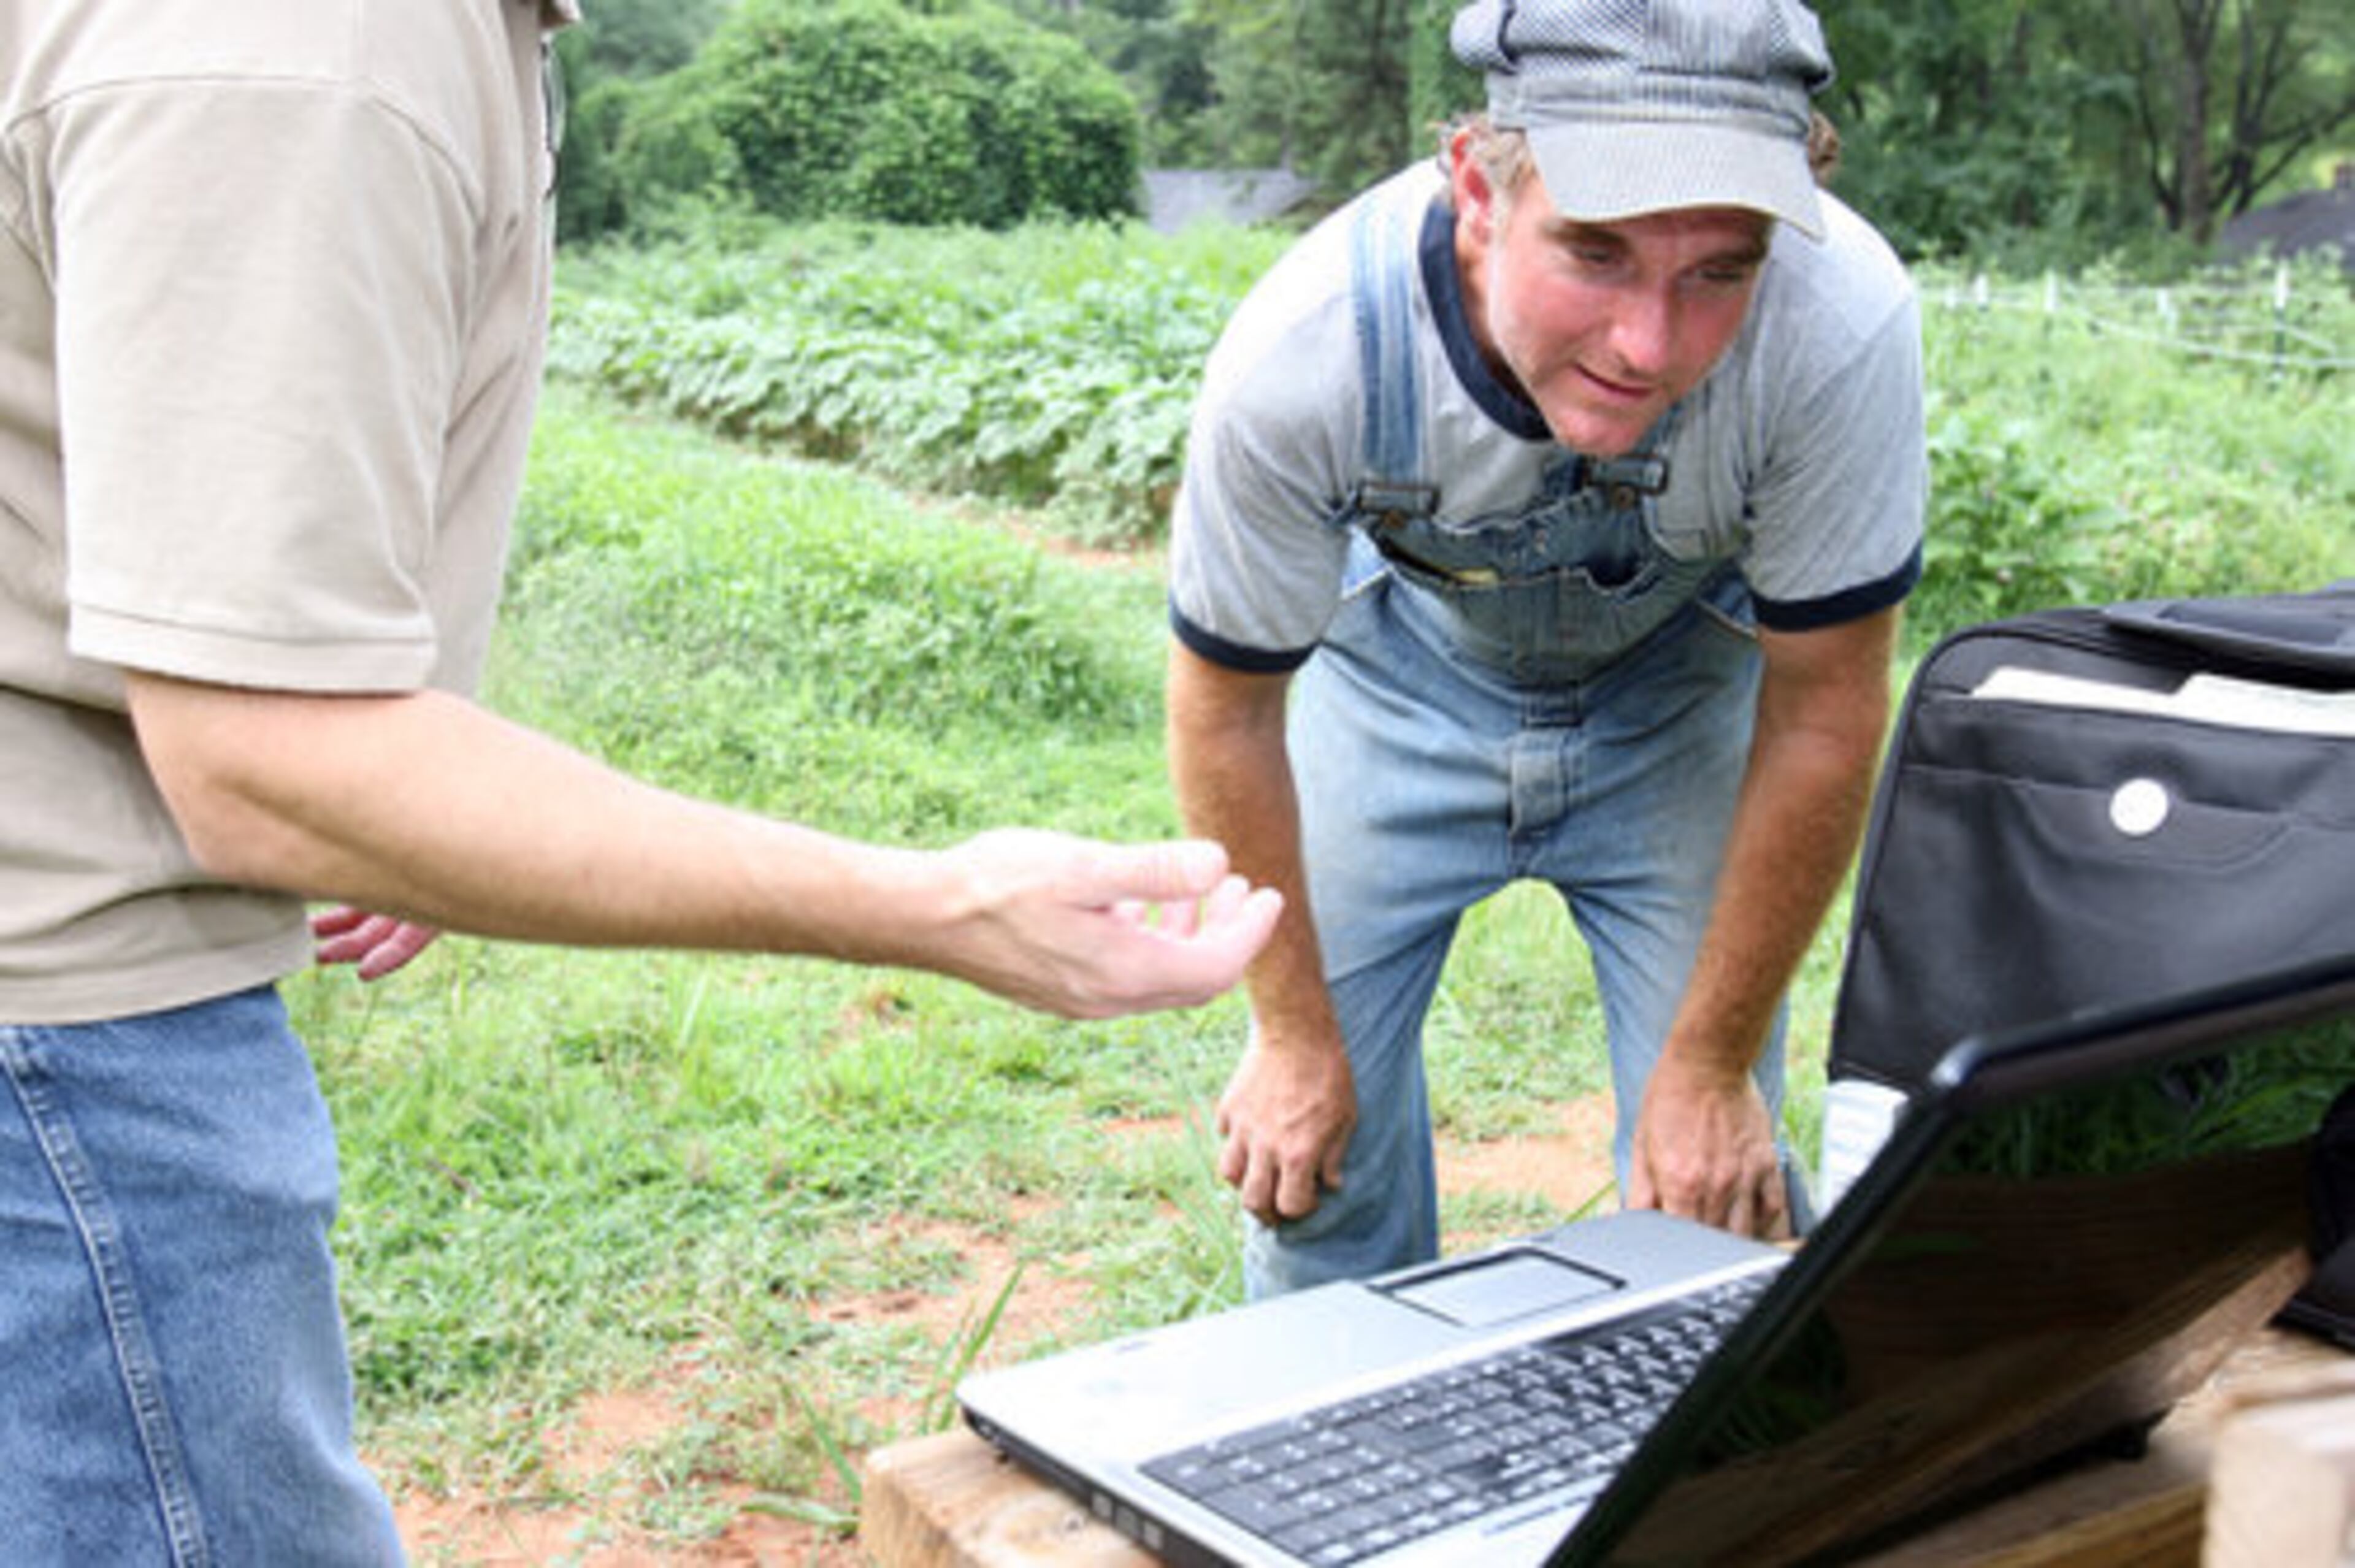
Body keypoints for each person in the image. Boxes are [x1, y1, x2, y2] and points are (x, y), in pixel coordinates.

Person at [0, 2, 1281, 1562]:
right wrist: (940, 904)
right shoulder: (310, 52)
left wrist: (410, 811)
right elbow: (269, 758)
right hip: (62, 1041)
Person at [1165, 0, 1925, 1298]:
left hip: (1687, 691)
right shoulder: (1310, 352)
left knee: (1713, 1191)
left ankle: (1692, 1487)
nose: (1650, 344)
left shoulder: (1840, 325)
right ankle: (1336, 1465)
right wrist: (1290, 1034)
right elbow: (1228, 710)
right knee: (1316, 1168)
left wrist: (1709, 1063)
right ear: (1478, 184)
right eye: (1595, 253)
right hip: (1397, 673)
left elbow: (1825, 709)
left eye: (1719, 272)